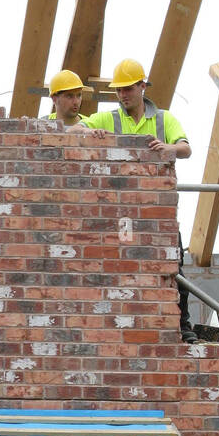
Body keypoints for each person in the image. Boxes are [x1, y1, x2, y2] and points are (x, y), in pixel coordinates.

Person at [82, 60, 196, 342]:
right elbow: (73, 130)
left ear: (142, 87)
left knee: (174, 268)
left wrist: (169, 147)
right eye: (119, 90)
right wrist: (91, 132)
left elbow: (186, 148)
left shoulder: (163, 119)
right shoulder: (109, 118)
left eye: (128, 89)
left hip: (158, 212)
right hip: (121, 210)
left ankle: (183, 328)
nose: (123, 95)